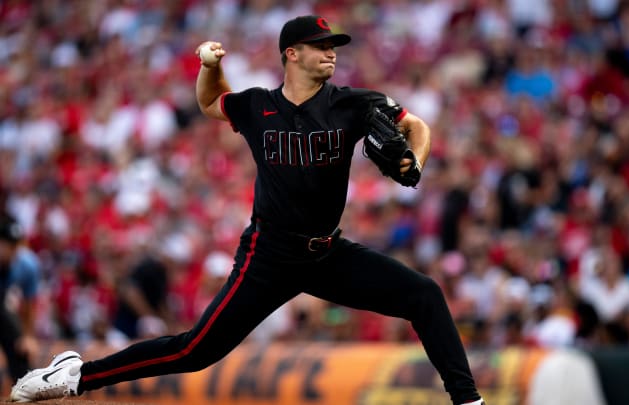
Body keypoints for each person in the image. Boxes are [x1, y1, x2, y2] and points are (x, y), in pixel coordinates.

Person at [10, 15, 485, 405]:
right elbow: (211, 100)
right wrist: (208, 65)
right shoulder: (260, 106)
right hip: (269, 255)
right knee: (195, 350)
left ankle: (467, 401)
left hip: (327, 254)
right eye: (319, 45)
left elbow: (416, 125)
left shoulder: (353, 104)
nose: (331, 52)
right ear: (291, 54)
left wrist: (415, 160)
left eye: (333, 45)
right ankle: (76, 376)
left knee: (423, 294)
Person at [0, 216, 40, 384]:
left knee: (21, 347)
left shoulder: (27, 264)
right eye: (7, 244)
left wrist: (28, 336)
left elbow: (29, 303)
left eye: (15, 245)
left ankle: (24, 386)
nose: (11, 250)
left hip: (3, 307)